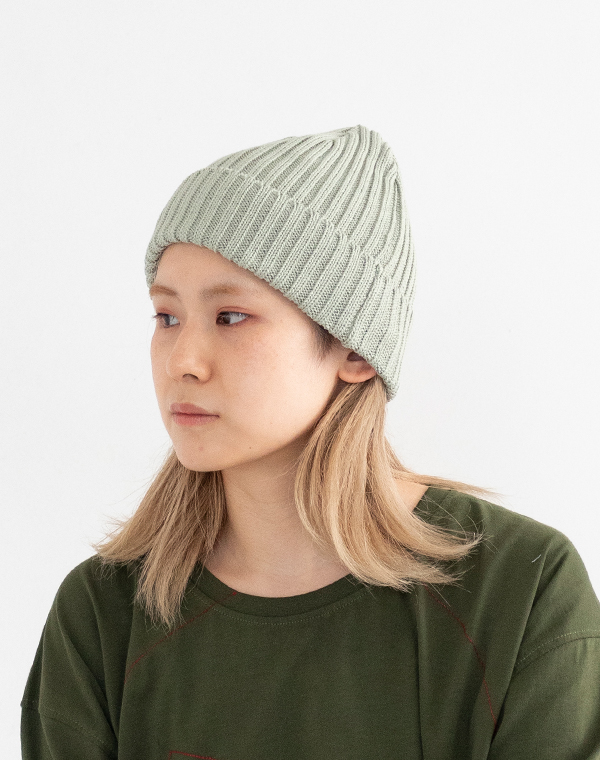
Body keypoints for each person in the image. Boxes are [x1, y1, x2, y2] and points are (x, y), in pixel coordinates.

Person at [21, 125, 600, 759]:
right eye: (166, 316)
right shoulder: (103, 614)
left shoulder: (519, 591)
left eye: (231, 316)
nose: (181, 360)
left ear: (354, 349)